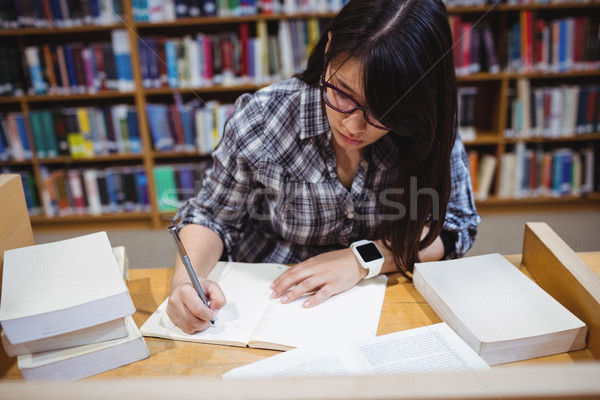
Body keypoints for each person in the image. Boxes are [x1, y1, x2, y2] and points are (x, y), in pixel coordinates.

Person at [167, 0, 481, 334]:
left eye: (385, 112)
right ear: (329, 48)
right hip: (267, 303)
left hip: (383, 301)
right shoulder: (264, 117)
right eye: (343, 93)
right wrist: (184, 284)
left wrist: (361, 260)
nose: (354, 127)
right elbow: (212, 216)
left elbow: (457, 226)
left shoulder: (427, 128)